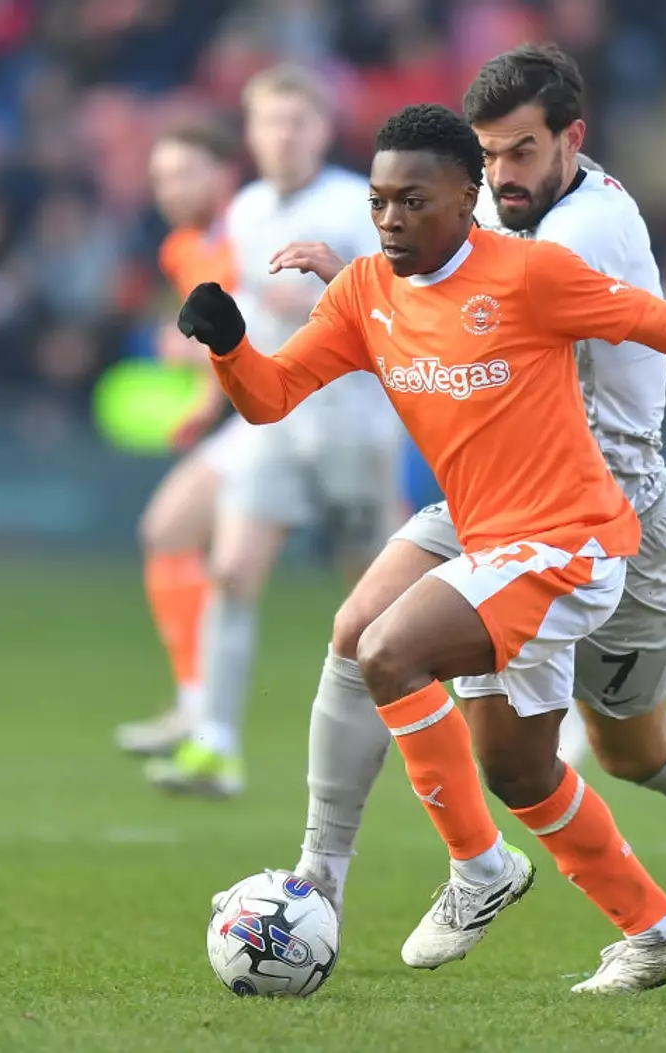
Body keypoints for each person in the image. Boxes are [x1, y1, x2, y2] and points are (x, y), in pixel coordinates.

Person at [182, 103, 666, 992]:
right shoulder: (363, 291)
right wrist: (229, 344)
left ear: (468, 197)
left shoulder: (530, 273)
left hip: (571, 541)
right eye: (379, 202)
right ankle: (660, 931)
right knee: (518, 766)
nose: (389, 220)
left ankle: (479, 866)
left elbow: (665, 324)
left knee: (387, 649)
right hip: (484, 531)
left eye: (412, 202)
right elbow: (270, 396)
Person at [142, 64, 405, 797]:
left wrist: (336, 285)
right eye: (270, 121)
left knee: (382, 603)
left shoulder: (360, 205)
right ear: (251, 134)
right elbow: (247, 313)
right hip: (275, 425)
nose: (284, 135)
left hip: (352, 428)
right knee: (230, 573)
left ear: (323, 130)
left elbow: (399, 300)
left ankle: (465, 722)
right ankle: (215, 745)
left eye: (298, 121)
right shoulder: (249, 210)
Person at [115, 118, 239, 757]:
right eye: (161, 176)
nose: (169, 188)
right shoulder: (181, 250)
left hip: (317, 412)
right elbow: (218, 347)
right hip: (256, 422)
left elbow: (261, 332)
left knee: (379, 581)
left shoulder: (252, 229)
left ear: (224, 173)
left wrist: (191, 357)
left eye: (184, 172)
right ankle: (200, 713)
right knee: (170, 533)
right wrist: (199, 403)